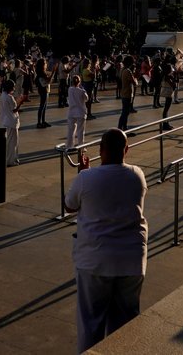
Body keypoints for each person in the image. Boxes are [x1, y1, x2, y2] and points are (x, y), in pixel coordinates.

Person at [63, 128, 148, 353]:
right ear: (126, 150)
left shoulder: (86, 178)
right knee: (126, 324)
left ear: (101, 151)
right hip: (131, 259)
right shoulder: (137, 174)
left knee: (90, 323)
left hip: (94, 259)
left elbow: (70, 205)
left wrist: (83, 173)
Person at [0, 79, 28, 166]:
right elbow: (15, 110)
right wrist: (21, 102)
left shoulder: (3, 95)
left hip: (6, 121)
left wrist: (18, 101)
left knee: (10, 142)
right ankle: (11, 160)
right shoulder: (9, 97)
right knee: (13, 143)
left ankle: (13, 158)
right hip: (11, 121)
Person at [66, 74, 88, 149]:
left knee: (71, 130)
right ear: (79, 82)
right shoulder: (82, 91)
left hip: (72, 112)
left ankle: (69, 145)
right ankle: (81, 146)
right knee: (80, 130)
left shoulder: (70, 89)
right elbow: (86, 98)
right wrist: (82, 89)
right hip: (80, 112)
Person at [35, 58, 56, 129]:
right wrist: (53, 72)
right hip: (43, 89)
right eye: (45, 63)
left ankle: (43, 121)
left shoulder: (41, 71)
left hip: (44, 89)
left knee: (44, 106)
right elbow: (48, 79)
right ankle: (39, 122)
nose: (46, 64)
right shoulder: (41, 72)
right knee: (42, 106)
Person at [117, 55, 136, 131]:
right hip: (127, 93)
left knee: (125, 112)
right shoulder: (128, 71)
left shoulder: (122, 69)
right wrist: (135, 76)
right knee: (125, 113)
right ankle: (120, 128)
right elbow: (134, 82)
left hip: (123, 93)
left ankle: (124, 128)